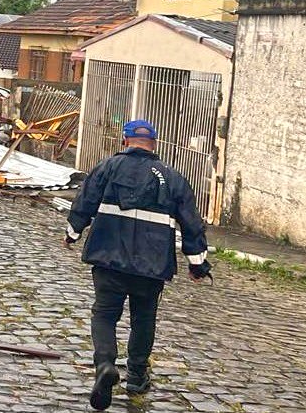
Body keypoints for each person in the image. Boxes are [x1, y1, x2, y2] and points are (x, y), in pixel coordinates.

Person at [65, 119, 212, 411]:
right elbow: (192, 224)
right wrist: (197, 265)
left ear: (125, 141)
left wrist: (72, 233)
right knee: (143, 318)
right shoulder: (172, 177)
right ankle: (136, 377)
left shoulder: (107, 168)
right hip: (151, 265)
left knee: (104, 314)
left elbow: (84, 202)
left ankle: (105, 363)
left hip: (108, 258)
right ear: (153, 144)